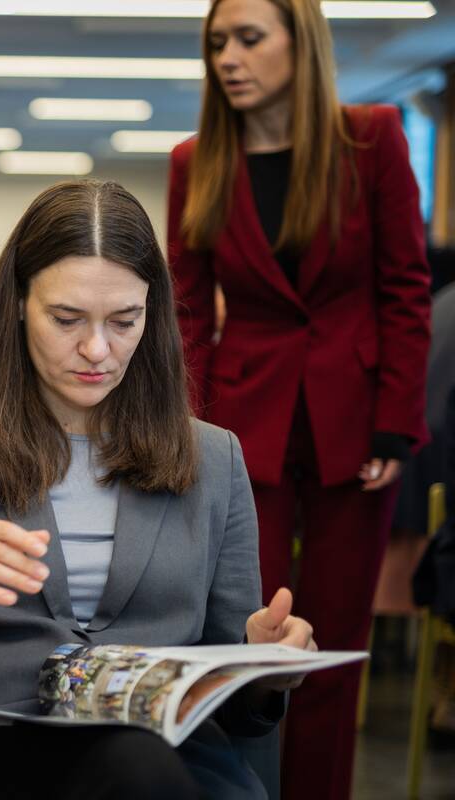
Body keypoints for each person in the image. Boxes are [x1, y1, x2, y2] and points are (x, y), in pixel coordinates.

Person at [0, 181, 317, 800]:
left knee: (140, 764)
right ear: (17, 304)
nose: (97, 350)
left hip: (163, 751)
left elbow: (236, 710)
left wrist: (260, 667)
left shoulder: (213, 460)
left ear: (152, 315)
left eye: (124, 321)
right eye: (66, 319)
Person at [166, 1, 430, 796]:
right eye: (218, 42)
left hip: (359, 432)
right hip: (244, 428)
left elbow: (405, 289)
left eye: (249, 39)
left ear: (300, 43)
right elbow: (186, 312)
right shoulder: (196, 162)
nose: (228, 58)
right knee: (250, 637)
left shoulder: (373, 138)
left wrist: (395, 424)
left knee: (335, 650)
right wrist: (188, 432)